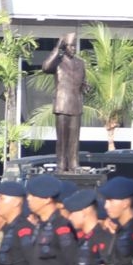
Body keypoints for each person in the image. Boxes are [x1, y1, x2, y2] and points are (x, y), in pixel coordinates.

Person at [41, 33, 86, 173]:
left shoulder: (80, 63)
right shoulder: (57, 62)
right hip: (62, 105)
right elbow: (45, 67)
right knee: (62, 138)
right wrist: (56, 48)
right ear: (64, 47)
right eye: (71, 46)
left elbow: (82, 82)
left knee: (74, 139)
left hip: (76, 104)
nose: (73, 49)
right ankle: (61, 164)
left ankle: (74, 164)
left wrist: (85, 87)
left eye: (74, 46)